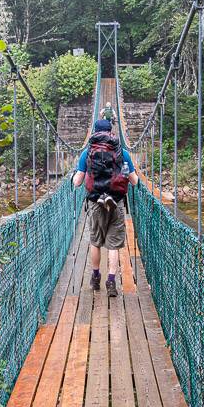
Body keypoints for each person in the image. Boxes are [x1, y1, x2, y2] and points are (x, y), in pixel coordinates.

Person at [72, 118, 139, 297]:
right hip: (116, 201)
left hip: (95, 201)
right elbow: (134, 181)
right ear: (111, 131)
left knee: (96, 241)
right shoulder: (122, 152)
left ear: (94, 131)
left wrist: (74, 177)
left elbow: (77, 182)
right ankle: (111, 281)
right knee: (113, 245)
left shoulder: (87, 153)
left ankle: (95, 277)